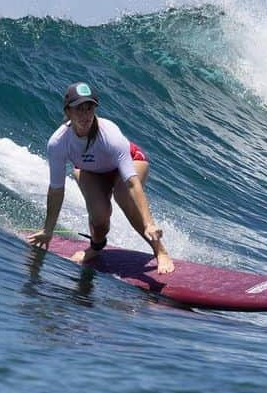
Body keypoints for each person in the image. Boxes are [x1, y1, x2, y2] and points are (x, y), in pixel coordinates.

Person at [28, 82, 175, 274]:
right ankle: (96, 247)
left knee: (123, 195)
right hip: (91, 170)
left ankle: (159, 250)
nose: (85, 115)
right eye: (79, 109)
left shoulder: (110, 134)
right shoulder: (58, 142)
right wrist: (48, 230)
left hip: (132, 161)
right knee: (100, 216)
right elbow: (56, 189)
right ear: (68, 112)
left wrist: (149, 223)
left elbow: (131, 182)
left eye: (89, 109)